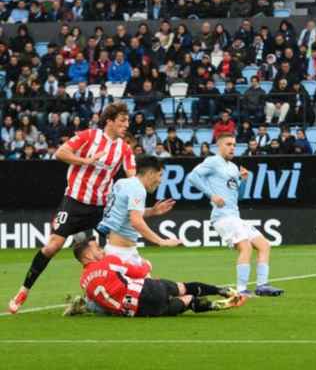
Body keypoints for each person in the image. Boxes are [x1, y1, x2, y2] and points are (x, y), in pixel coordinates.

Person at [8, 103, 138, 314]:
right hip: (75, 202)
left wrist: (139, 188)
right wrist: (86, 160)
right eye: (122, 120)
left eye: (127, 120)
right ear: (110, 121)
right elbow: (61, 153)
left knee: (106, 255)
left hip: (101, 207)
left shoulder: (124, 148)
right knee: (52, 247)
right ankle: (23, 290)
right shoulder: (88, 136)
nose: (126, 124)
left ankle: (106, 298)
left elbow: (132, 174)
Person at [188, 133, 284, 297]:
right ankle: (241, 290)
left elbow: (239, 196)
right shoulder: (212, 161)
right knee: (245, 247)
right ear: (219, 146)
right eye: (228, 144)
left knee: (264, 245)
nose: (232, 147)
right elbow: (192, 177)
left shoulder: (233, 167)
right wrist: (211, 195)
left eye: (234, 144)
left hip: (234, 215)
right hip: (222, 217)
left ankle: (262, 286)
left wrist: (244, 181)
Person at [69, 238, 243, 317]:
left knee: (188, 300)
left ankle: (214, 306)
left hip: (138, 311)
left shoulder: (83, 281)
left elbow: (98, 303)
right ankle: (222, 290)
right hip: (146, 290)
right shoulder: (108, 261)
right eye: (97, 249)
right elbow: (139, 272)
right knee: (183, 287)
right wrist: (147, 264)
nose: (102, 250)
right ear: (88, 257)